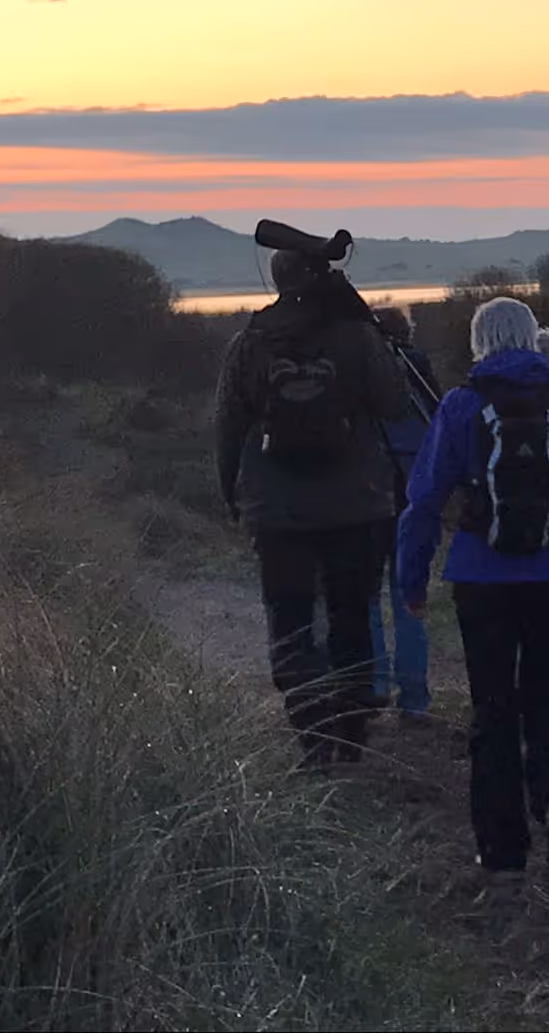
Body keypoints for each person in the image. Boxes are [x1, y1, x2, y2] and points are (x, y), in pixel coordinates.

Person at [398, 297, 549, 872]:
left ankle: (501, 845)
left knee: (492, 708)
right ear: (530, 335)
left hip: (481, 575)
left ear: (479, 340)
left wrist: (411, 580)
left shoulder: (461, 404)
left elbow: (423, 500)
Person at [214, 249, 407, 767]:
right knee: (351, 616)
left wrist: (230, 491)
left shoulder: (249, 342)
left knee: (291, 621)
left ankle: (313, 735)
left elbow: (228, 424)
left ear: (277, 280)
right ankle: (351, 733)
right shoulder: (357, 336)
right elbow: (394, 403)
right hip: (357, 503)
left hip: (277, 510)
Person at [368, 305, 435, 720]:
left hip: (369, 493)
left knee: (367, 597)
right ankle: (414, 698)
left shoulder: (360, 376)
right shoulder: (420, 371)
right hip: (414, 493)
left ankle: (374, 686)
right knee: (409, 595)